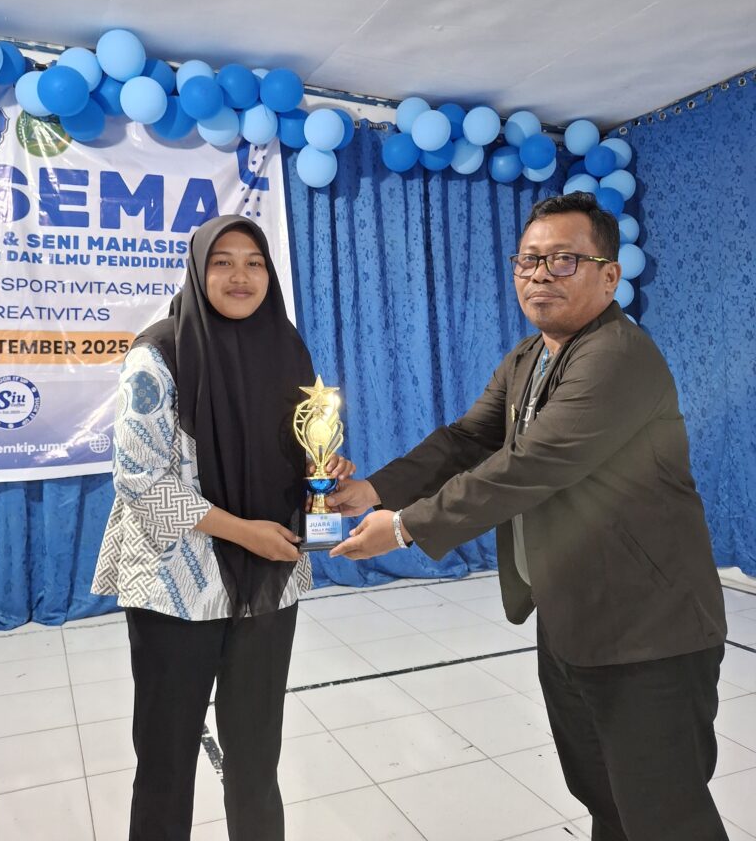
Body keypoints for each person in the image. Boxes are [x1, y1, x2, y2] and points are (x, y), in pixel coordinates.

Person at [329, 192, 728, 841]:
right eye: (529, 260)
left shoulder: (617, 356)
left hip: (650, 634)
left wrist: (403, 528)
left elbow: (526, 468)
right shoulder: (528, 357)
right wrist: (374, 489)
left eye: (564, 259)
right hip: (572, 619)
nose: (541, 274)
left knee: (665, 816)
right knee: (605, 800)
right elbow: (466, 441)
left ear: (609, 275)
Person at [92, 214, 353, 841]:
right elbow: (140, 481)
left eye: (254, 263)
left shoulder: (287, 348)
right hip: (177, 585)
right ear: (197, 269)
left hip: (269, 580)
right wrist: (242, 531)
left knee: (257, 755)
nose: (241, 276)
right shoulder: (159, 354)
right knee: (166, 758)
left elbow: (297, 448)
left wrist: (323, 471)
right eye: (223, 262)